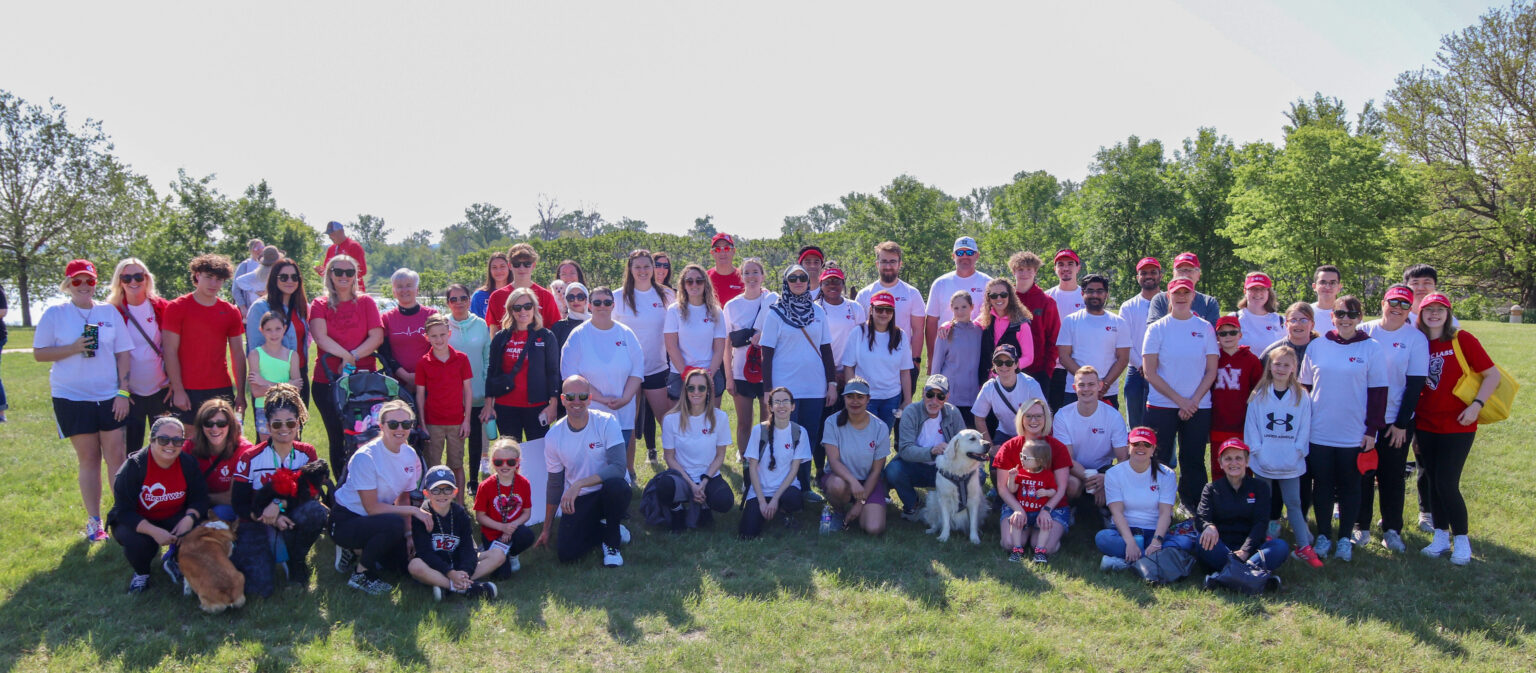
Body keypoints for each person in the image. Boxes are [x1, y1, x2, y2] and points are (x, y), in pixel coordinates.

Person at [35, 259, 135, 542]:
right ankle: (95, 521)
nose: (84, 286)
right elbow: (40, 353)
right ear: (68, 285)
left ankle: (122, 515)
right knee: (89, 458)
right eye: (77, 281)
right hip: (71, 397)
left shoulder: (108, 312)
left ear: (96, 283)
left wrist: (123, 392)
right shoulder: (55, 314)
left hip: (108, 396)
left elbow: (124, 353)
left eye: (89, 281)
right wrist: (73, 348)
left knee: (116, 456)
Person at [1298, 294, 1387, 563]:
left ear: (1360, 317)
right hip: (1319, 431)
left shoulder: (1371, 348)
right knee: (1322, 485)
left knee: (1351, 486)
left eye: (1351, 314)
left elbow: (1379, 393)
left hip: (1354, 434)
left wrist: (1372, 430)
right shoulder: (1318, 346)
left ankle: (1345, 538)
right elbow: (1305, 388)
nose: (1345, 319)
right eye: (1340, 314)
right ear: (1332, 317)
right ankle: (1324, 535)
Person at [1415, 293, 1498, 566]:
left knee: (1447, 483)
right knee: (1433, 481)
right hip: (1425, 424)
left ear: (1448, 313)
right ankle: (1440, 537)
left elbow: (1492, 375)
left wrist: (1476, 405)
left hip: (1458, 423)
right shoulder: (1417, 341)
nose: (1434, 314)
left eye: (1440, 310)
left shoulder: (1462, 339)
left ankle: (1461, 540)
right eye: (1429, 309)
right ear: (1421, 313)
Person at [230, 384, 327, 594]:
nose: (284, 429)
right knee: (259, 589)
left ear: (299, 423)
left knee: (316, 511)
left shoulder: (306, 453)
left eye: (290, 423)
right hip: (257, 520)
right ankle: (271, 553)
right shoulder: (250, 457)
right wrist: (267, 516)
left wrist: (279, 504)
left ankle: (297, 560)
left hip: (292, 516)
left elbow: (313, 494)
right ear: (267, 425)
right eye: (277, 424)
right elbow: (239, 503)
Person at [1355, 285, 1430, 553]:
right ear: (1383, 303)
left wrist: (1400, 424)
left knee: (1392, 475)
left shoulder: (1415, 338)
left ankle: (1392, 529)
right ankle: (1360, 526)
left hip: (1396, 419)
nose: (1397, 308)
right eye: (1392, 302)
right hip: (1362, 419)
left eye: (1404, 304)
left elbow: (1414, 384)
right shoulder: (1364, 331)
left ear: (1410, 309)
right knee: (1362, 473)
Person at [759, 264, 836, 502]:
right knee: (785, 438)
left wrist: (832, 383)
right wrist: (767, 389)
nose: (799, 281)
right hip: (784, 389)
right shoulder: (775, 313)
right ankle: (782, 486)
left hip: (814, 387)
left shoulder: (818, 312)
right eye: (793, 278)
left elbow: (826, 350)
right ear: (786, 282)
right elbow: (766, 352)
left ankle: (804, 486)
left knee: (808, 438)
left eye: (803, 277)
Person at [1142, 277, 1219, 513]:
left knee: (1193, 458)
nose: (1182, 297)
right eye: (1177, 293)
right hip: (1162, 405)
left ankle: (1192, 504)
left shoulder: (1204, 327)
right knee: (1159, 457)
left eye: (1186, 293)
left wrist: (1193, 401)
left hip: (1198, 406)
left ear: (1193, 296)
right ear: (1169, 296)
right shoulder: (1157, 328)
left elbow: (1211, 370)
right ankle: (1156, 505)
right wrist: (1180, 401)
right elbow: (1149, 372)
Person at [537, 375, 633, 566]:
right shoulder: (554, 436)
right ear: (563, 400)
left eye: (582, 396)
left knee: (616, 487)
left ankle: (612, 542)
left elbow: (619, 467)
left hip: (608, 491)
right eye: (571, 397)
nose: (577, 402)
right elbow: (555, 484)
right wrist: (547, 528)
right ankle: (604, 528)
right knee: (567, 554)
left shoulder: (607, 422)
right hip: (580, 498)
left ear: (590, 398)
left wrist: (580, 483)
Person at [331, 400, 424, 595]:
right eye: (393, 424)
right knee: (393, 525)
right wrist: (415, 511)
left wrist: (409, 535)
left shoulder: (410, 454)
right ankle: (360, 575)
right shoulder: (366, 456)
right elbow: (371, 508)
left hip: (378, 518)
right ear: (381, 426)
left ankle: (358, 551)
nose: (400, 429)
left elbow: (403, 498)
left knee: (401, 566)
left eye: (406, 424)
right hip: (347, 519)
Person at [107, 416, 209, 593]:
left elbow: (200, 498)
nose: (170, 445)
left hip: (175, 516)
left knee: (199, 531)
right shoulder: (133, 467)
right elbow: (123, 511)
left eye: (177, 441)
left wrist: (189, 518)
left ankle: (178, 561)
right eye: (163, 440)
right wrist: (152, 531)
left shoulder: (188, 463)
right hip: (139, 519)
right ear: (151, 440)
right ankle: (141, 573)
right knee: (137, 542)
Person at [1244, 345, 1324, 567]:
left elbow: (1305, 427)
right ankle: (1258, 543)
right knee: (1263, 504)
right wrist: (1257, 451)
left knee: (1294, 503)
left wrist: (1298, 451)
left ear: (1294, 368)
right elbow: (1251, 427)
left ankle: (1303, 547)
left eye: (1286, 365)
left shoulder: (1301, 395)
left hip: (1290, 460)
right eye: (1277, 364)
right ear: (1270, 366)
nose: (1280, 368)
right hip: (1263, 460)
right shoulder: (1259, 394)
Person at [310, 254, 385, 479]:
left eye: (349, 272)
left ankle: (370, 484)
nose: (344, 276)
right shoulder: (319, 304)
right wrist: (346, 356)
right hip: (327, 381)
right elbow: (320, 337)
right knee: (338, 437)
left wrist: (352, 356)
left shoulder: (366, 302)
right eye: (338, 272)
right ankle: (343, 488)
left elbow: (377, 336)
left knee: (369, 435)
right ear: (329, 275)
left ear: (356, 276)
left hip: (364, 382)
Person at [560, 287, 645, 479]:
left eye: (607, 302)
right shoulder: (578, 335)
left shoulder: (626, 333)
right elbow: (570, 375)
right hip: (590, 412)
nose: (602, 306)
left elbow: (637, 371)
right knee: (593, 464)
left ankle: (619, 493)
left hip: (622, 411)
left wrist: (625, 398)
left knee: (616, 466)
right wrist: (601, 398)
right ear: (589, 305)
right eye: (597, 302)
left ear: (613, 305)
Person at [163, 254, 247, 425]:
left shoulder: (230, 311)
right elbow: (170, 351)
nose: (213, 284)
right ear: (197, 276)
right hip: (188, 389)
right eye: (209, 277)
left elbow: (238, 354)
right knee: (188, 443)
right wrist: (178, 390)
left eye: (219, 279)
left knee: (220, 442)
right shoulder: (177, 307)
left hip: (220, 387)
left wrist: (240, 393)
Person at [651, 368, 735, 531]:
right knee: (664, 487)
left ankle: (704, 506)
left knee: (725, 501)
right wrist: (691, 484)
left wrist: (703, 482)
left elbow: (720, 456)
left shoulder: (720, 417)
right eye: (691, 388)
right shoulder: (670, 419)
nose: (696, 392)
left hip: (708, 476)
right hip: (682, 477)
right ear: (685, 390)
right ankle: (677, 511)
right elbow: (669, 458)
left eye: (701, 388)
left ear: (709, 391)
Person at [612, 249, 676, 463]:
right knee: (627, 423)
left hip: (656, 368)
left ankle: (678, 467)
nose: (642, 271)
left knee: (666, 421)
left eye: (647, 266)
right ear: (630, 269)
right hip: (626, 371)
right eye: (637, 267)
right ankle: (628, 472)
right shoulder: (616, 297)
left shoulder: (667, 295)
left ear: (653, 268)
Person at [1193, 438, 1290, 572]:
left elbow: (1261, 523)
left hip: (1252, 550)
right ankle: (1248, 574)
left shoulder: (1260, 487)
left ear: (1247, 461)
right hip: (1221, 548)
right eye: (1228, 459)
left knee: (1281, 546)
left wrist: (1245, 551)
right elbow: (1201, 518)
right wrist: (1208, 526)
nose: (1234, 463)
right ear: (1220, 463)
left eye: (1238, 458)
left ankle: (1229, 574)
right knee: (1201, 540)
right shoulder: (1211, 488)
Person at [106, 258, 170, 453]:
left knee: (166, 446)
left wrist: (175, 382)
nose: (133, 282)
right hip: (129, 395)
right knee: (130, 451)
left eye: (138, 276)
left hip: (161, 390)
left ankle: (163, 484)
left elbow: (174, 348)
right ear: (119, 281)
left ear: (147, 278)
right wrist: (121, 391)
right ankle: (131, 484)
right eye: (126, 277)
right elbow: (103, 355)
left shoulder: (162, 307)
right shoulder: (110, 311)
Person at [408, 466, 501, 600]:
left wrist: (464, 571)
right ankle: (465, 588)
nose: (442, 494)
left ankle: (451, 585)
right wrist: (449, 572)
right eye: (435, 490)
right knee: (414, 565)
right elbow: (425, 553)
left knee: (498, 554)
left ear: (455, 492)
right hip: (434, 566)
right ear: (426, 493)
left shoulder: (460, 514)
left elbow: (468, 549)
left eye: (447, 489)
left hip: (458, 563)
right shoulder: (422, 516)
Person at [992, 401, 1075, 551]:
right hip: (1018, 504)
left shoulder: (1057, 447)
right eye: (1028, 416)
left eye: (1038, 416)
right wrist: (1018, 509)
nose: (1033, 421)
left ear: (1046, 418)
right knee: (1010, 544)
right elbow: (1002, 488)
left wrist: (1046, 510)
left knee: (1044, 547)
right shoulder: (1009, 447)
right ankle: (1027, 530)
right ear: (1021, 419)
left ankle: (1046, 532)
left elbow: (1061, 488)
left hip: (1052, 506)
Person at [1096, 427, 1177, 571]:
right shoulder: (1113, 474)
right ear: (1128, 446)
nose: (1141, 448)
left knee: (1183, 542)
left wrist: (1156, 542)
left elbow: (1166, 513)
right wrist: (1130, 542)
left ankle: (1125, 563)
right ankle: (1147, 561)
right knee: (1103, 538)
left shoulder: (1167, 474)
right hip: (1124, 531)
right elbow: (1117, 512)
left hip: (1154, 531)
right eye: (1136, 444)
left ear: (1153, 449)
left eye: (1146, 445)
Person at [486, 287, 561, 443]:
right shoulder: (501, 337)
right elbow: (492, 371)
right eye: (517, 307)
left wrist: (553, 404)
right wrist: (488, 405)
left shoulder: (546, 336)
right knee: (511, 456)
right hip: (505, 405)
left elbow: (553, 372)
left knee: (539, 455)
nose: (523, 311)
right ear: (511, 310)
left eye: (527, 306)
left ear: (534, 308)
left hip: (537, 405)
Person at [888, 374, 967, 521]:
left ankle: (954, 509)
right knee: (893, 471)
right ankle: (913, 504)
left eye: (940, 396)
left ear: (947, 397)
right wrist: (931, 451)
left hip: (945, 468)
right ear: (923, 392)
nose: (934, 401)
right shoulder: (911, 412)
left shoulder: (953, 413)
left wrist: (951, 451)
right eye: (930, 394)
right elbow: (904, 450)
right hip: (915, 466)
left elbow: (964, 445)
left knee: (979, 475)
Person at [1052, 366, 1129, 516]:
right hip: (1074, 470)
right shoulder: (1062, 415)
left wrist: (1106, 478)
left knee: (1121, 481)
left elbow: (1123, 459)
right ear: (1074, 388)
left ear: (1100, 386)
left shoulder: (1114, 416)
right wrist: (1093, 479)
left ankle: (1106, 513)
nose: (1086, 389)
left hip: (1103, 469)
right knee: (1071, 484)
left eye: (1091, 384)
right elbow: (1066, 459)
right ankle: (1070, 510)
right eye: (1081, 385)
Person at [818, 378, 891, 535]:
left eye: (860, 397)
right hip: (841, 479)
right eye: (850, 396)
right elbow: (834, 461)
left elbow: (876, 472)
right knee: (837, 485)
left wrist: (860, 502)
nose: (855, 401)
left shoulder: (880, 427)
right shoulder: (832, 422)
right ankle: (838, 512)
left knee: (874, 528)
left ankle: (861, 509)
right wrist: (853, 482)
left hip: (868, 482)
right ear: (844, 398)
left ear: (868, 399)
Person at [740, 386, 812, 539]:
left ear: (793, 406)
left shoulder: (799, 432)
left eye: (786, 401)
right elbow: (752, 468)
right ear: (771, 407)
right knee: (747, 534)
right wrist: (761, 502)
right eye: (777, 402)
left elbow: (794, 470)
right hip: (760, 490)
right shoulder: (758, 430)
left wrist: (774, 500)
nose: (781, 405)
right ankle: (766, 512)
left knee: (792, 498)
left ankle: (784, 512)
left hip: (785, 489)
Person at [415, 314, 474, 497]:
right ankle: (434, 501)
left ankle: (459, 503)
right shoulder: (424, 362)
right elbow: (420, 395)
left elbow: (468, 391)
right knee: (432, 464)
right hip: (433, 422)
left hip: (456, 421)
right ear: (427, 337)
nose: (438, 339)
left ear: (449, 334)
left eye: (442, 334)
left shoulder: (461, 359)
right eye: (433, 336)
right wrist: (423, 424)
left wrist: (467, 420)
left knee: (456, 464)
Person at [723, 258, 776, 458]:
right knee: (744, 422)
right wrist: (729, 377)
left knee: (767, 420)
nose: (751, 277)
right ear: (741, 276)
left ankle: (764, 456)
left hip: (766, 371)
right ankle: (744, 456)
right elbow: (726, 344)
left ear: (763, 276)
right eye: (747, 272)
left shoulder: (773, 301)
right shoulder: (731, 306)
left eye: (755, 272)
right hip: (740, 371)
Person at [855, 241, 926, 390]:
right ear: (877, 264)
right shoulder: (864, 295)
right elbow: (858, 333)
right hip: (870, 365)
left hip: (901, 364)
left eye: (892, 262)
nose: (888, 266)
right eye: (884, 262)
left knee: (900, 410)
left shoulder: (912, 293)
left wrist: (916, 361)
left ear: (900, 264)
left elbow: (918, 330)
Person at [840, 291, 911, 431]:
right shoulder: (858, 332)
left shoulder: (900, 335)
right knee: (864, 437)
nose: (884, 313)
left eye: (888, 310)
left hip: (891, 397)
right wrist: (852, 394)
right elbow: (848, 367)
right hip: (864, 397)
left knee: (883, 438)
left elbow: (905, 371)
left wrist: (907, 400)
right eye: (879, 309)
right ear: (871, 310)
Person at [1057, 273, 1130, 408]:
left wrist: (1103, 385)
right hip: (1076, 390)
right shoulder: (1070, 321)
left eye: (1099, 291)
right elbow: (1064, 357)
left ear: (1106, 294)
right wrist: (1086, 383)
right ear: (1082, 293)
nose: (1095, 295)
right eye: (1090, 291)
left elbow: (1123, 358)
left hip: (1107, 391)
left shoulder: (1119, 322)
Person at [443, 283, 492, 486]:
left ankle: (473, 482)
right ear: (447, 303)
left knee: (475, 440)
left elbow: (487, 359)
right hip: (451, 396)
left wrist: (489, 393)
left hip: (478, 393)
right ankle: (451, 482)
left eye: (463, 298)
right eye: (453, 299)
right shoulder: (442, 325)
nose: (459, 303)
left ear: (469, 301)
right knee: (454, 443)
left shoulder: (481, 324)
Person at [246, 257, 311, 406]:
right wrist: (263, 382)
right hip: (271, 377)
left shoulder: (300, 307)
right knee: (272, 428)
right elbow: (255, 348)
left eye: (294, 277)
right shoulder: (260, 308)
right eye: (283, 277)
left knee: (295, 427)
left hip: (298, 374)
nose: (290, 281)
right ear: (274, 279)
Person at [925, 236, 992, 369]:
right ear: (953, 256)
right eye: (960, 253)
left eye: (970, 252)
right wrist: (931, 357)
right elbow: (931, 322)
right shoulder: (940, 283)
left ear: (977, 256)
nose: (965, 256)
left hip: (978, 350)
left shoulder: (988, 283)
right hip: (946, 351)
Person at [664, 264, 727, 404]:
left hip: (710, 373)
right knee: (680, 423)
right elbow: (671, 347)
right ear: (683, 285)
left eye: (699, 281)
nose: (694, 285)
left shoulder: (716, 311)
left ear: (705, 283)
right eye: (689, 281)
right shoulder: (674, 310)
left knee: (711, 423)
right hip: (680, 374)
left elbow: (719, 349)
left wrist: (708, 375)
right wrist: (686, 374)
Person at [473, 438, 536, 577]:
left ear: (517, 463)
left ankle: (512, 553)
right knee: (502, 576)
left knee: (527, 536)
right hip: (492, 533)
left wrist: (511, 527)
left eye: (511, 462)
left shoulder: (524, 483)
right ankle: (487, 550)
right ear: (492, 463)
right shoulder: (485, 486)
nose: (505, 465)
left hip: (514, 530)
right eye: (499, 462)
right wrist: (502, 527)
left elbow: (527, 513)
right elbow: (480, 516)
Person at [1209, 316, 1263, 478]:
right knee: (1220, 463)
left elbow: (1258, 388)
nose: (1228, 337)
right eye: (1222, 333)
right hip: (1218, 420)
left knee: (1243, 463)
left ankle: (1245, 499)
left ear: (1240, 334)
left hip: (1243, 422)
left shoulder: (1251, 360)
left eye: (1233, 332)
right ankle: (1219, 498)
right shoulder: (1213, 358)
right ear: (1216, 337)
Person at [999, 439, 1067, 563]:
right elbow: (1012, 489)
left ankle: (1040, 551)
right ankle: (1017, 549)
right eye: (1021, 455)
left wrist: (1046, 493)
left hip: (1039, 512)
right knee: (1015, 523)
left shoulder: (1047, 475)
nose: (1021, 459)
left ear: (1039, 461)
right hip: (1023, 511)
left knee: (1045, 526)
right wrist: (1012, 479)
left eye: (1025, 457)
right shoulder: (1021, 473)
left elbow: (1054, 491)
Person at [186, 399, 252, 523]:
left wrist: (199, 498)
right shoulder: (189, 447)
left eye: (221, 423)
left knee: (220, 512)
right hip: (196, 505)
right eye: (208, 423)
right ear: (201, 426)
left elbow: (233, 498)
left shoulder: (244, 451)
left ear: (231, 425)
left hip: (227, 508)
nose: (215, 429)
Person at [971, 344, 1045, 445]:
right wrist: (990, 447)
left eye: (1008, 362)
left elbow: (1044, 414)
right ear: (994, 364)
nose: (1003, 366)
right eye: (999, 362)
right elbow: (979, 418)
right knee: (994, 460)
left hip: (1029, 433)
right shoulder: (989, 387)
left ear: (1016, 364)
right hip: (1004, 434)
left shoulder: (1030, 384)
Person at [484, 243, 562, 338]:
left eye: (527, 264)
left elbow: (554, 332)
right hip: (507, 351)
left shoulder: (546, 296)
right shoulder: (497, 296)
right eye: (517, 264)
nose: (522, 268)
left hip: (537, 350)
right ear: (510, 265)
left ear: (533, 265)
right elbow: (494, 334)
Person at [1119, 257, 1162, 427]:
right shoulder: (1128, 306)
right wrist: (1142, 365)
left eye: (1153, 272)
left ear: (1160, 275)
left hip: (1163, 370)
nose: (1148, 276)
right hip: (1136, 370)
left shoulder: (1170, 302)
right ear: (1138, 277)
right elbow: (1124, 342)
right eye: (1143, 273)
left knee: (1163, 424)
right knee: (1136, 424)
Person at [1008, 251, 1061, 391]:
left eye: (1029, 269)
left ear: (1035, 271)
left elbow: (1054, 339)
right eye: (1020, 269)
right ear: (1013, 271)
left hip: (1038, 372)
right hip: (1007, 369)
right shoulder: (1005, 299)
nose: (1024, 273)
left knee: (1037, 412)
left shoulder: (1047, 302)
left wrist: (1047, 371)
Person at [378, 268, 437, 388]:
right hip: (397, 382)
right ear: (394, 292)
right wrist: (405, 376)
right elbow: (384, 352)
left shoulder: (431, 315)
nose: (404, 290)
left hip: (428, 379)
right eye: (399, 286)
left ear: (417, 290)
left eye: (409, 285)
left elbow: (437, 348)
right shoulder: (386, 318)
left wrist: (420, 375)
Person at [247, 311, 301, 442]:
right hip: (264, 408)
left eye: (278, 329)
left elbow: (297, 389)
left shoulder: (292, 356)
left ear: (285, 328)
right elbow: (257, 392)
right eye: (269, 330)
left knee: (289, 448)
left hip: (288, 408)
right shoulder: (255, 355)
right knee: (267, 448)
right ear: (261, 330)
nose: (274, 334)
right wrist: (287, 385)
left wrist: (265, 382)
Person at [930, 291, 981, 425]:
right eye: (956, 308)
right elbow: (936, 366)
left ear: (972, 307)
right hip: (951, 397)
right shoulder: (945, 333)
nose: (960, 311)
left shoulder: (979, 331)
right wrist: (933, 392)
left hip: (973, 397)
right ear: (951, 309)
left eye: (964, 307)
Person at [1044, 249, 1085, 410]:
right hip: (1054, 367)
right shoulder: (1047, 297)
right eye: (1060, 264)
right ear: (1055, 269)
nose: (1065, 268)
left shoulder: (1085, 296)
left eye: (1070, 264)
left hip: (1079, 365)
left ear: (1078, 267)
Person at [817, 267, 867, 396]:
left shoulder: (855, 307)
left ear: (843, 284)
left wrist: (849, 370)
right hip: (821, 370)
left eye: (836, 282)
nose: (832, 286)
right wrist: (831, 374)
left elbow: (862, 341)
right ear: (820, 285)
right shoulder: (814, 308)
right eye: (827, 283)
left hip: (850, 370)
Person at [976, 278, 1034, 386]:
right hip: (986, 384)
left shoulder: (1021, 324)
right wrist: (948, 325)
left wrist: (1006, 369)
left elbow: (1028, 357)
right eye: (993, 295)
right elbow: (966, 325)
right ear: (988, 298)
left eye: (1003, 294)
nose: (999, 298)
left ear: (1010, 296)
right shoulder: (984, 319)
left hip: (1012, 383)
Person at [1144, 252, 1221, 325]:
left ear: (1198, 275)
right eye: (1180, 270)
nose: (1185, 274)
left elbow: (1213, 334)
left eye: (1190, 270)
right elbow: (1154, 330)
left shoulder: (1208, 303)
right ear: (1173, 273)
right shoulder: (1160, 300)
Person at [1235, 272, 1284, 353]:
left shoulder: (1281, 321)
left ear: (1268, 292)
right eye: (1253, 288)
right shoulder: (1234, 318)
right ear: (1245, 291)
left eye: (1262, 288)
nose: (1258, 293)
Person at [315, 221, 368, 287]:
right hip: (334, 291)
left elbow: (362, 271)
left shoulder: (354, 246)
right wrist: (320, 270)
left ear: (341, 232)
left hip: (354, 291)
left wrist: (344, 275)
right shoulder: (331, 249)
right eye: (329, 234)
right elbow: (328, 273)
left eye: (332, 233)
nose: (330, 237)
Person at [234, 245, 279, 316]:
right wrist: (254, 290)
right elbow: (239, 280)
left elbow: (239, 280)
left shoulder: (260, 272)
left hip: (270, 307)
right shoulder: (256, 273)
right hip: (261, 308)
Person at [470, 252, 511, 320]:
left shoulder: (516, 293)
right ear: (490, 270)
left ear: (509, 268)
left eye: (502, 266)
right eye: (494, 267)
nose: (498, 271)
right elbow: (473, 322)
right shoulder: (479, 295)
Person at [706, 233, 745, 304]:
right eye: (717, 249)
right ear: (712, 252)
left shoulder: (744, 277)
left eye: (727, 248)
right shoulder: (704, 278)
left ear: (733, 251)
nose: (722, 252)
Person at [551, 282, 589, 351]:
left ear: (586, 299)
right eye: (571, 297)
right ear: (566, 300)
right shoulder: (558, 327)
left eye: (580, 297)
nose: (575, 300)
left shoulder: (596, 323)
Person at [1310, 264, 1342, 333]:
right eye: (1322, 282)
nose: (1327, 287)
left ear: (1339, 287)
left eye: (1332, 283)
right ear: (1314, 286)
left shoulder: (1349, 314)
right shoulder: (1305, 312)